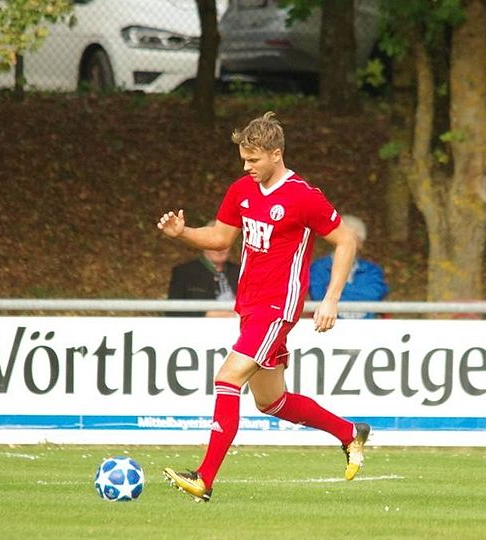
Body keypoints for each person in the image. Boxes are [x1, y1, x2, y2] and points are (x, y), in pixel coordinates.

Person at [156, 111, 372, 503]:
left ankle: (204, 478)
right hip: (250, 306)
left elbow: (346, 241)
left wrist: (331, 299)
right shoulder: (241, 189)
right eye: (243, 159)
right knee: (271, 402)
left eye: (253, 159)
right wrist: (182, 232)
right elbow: (220, 238)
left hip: (278, 307)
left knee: (227, 378)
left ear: (276, 154)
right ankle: (349, 432)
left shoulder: (304, 196)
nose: (247, 166)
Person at [309, 214, 389, 319]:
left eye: (351, 240)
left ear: (360, 243)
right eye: (341, 238)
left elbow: (374, 295)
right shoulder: (318, 268)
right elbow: (318, 295)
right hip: (327, 324)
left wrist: (333, 291)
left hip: (365, 326)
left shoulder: (372, 270)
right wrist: (359, 291)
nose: (346, 243)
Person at [167, 230, 240, 317]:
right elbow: (172, 311)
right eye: (214, 244)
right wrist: (206, 314)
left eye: (224, 244)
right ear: (204, 245)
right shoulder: (185, 273)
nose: (220, 249)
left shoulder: (240, 271)